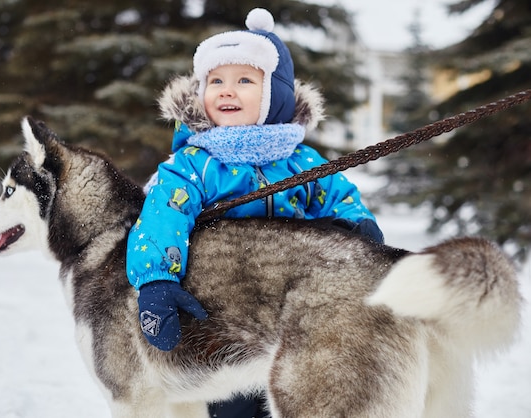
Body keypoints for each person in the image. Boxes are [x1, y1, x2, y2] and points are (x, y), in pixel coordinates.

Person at [126, 8, 384, 417]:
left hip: (300, 310)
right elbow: (161, 217)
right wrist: (156, 280)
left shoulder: (302, 161)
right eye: (216, 81)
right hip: (226, 317)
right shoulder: (193, 165)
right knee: (237, 407)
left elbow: (339, 196)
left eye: (245, 80)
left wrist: (361, 230)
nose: (227, 91)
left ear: (276, 93)